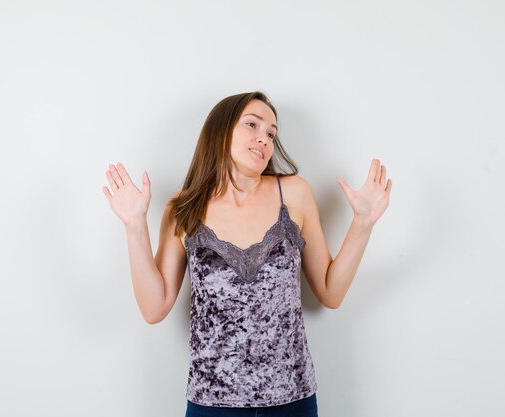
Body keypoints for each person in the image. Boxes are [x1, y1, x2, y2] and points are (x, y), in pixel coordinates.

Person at [102, 91, 392, 416]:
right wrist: (134, 225)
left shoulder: (295, 194)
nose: (264, 138)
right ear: (221, 130)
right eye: (252, 124)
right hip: (211, 403)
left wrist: (363, 223)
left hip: (292, 400)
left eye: (271, 132)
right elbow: (154, 308)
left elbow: (330, 291)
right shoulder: (183, 208)